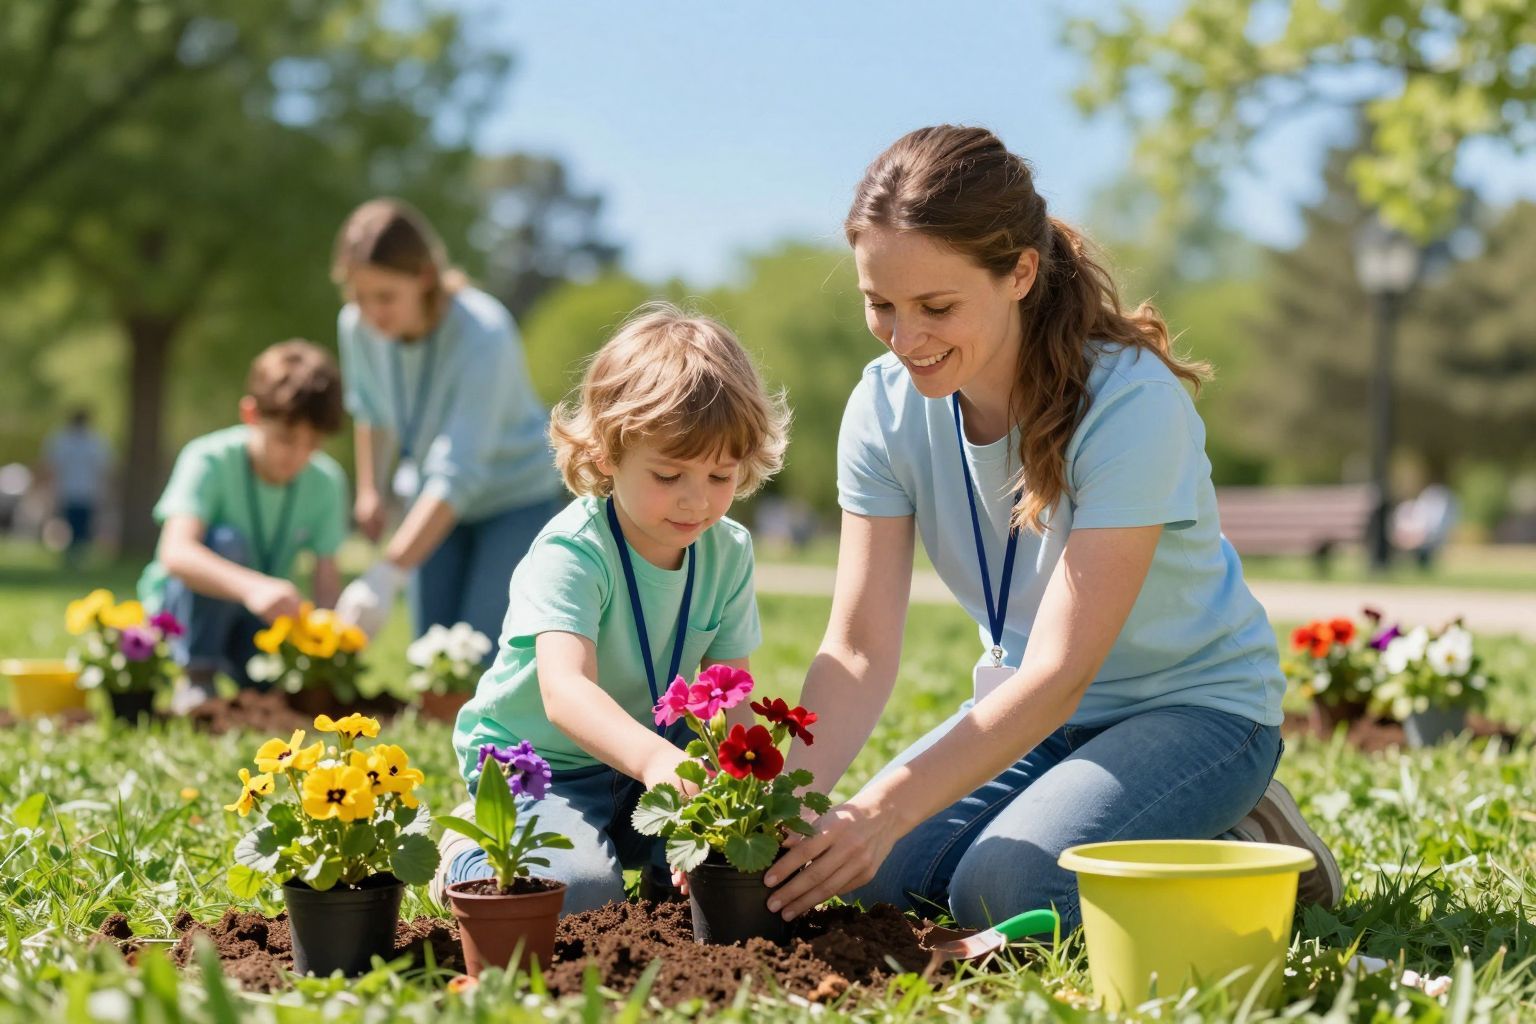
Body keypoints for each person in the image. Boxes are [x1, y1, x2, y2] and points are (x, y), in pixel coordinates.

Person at [760, 126, 1342, 931]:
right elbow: (859, 649)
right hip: (1034, 718)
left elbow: (1063, 669)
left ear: (1020, 273)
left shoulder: (1129, 402)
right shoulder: (882, 406)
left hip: (1194, 713)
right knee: (851, 877)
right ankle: (1103, 817)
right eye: (879, 305)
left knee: (1003, 891)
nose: (905, 340)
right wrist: (785, 813)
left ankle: (1244, 832)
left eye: (936, 307)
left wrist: (886, 807)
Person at [431, 305, 790, 913]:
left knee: (750, 877)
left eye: (720, 474)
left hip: (658, 766)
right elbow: (563, 692)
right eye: (669, 474)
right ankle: (467, 853)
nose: (697, 500)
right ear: (606, 455)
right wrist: (654, 758)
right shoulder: (573, 550)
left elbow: (733, 696)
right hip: (541, 764)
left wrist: (745, 803)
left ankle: (654, 877)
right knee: (582, 894)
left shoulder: (728, 550)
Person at [330, 198, 565, 648]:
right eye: (359, 296)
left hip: (512, 496)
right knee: (430, 654)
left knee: (477, 654)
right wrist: (369, 490)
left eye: (385, 297)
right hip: (434, 497)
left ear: (423, 277)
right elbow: (372, 411)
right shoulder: (357, 325)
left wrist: (387, 571)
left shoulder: (484, 332)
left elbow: (459, 470)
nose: (371, 313)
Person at [138, 341, 349, 707]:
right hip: (179, 619)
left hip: (255, 621)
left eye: (313, 443)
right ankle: (197, 678)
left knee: (282, 691)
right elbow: (175, 553)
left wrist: (328, 652)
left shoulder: (326, 481)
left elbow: (326, 581)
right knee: (226, 541)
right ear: (251, 415)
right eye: (286, 439)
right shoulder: (208, 459)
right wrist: (253, 587)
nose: (298, 456)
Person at [42, 409, 112, 567]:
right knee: (76, 526)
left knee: (77, 527)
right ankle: (75, 558)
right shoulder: (95, 440)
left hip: (74, 490)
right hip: (82, 490)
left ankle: (74, 558)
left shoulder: (63, 439)